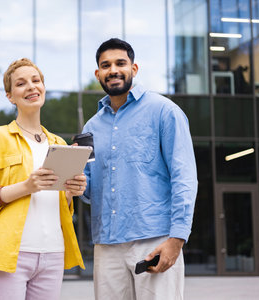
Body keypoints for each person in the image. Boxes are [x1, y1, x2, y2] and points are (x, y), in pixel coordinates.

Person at [81, 38, 198, 299]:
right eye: (105, 65)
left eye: (120, 63)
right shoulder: (90, 128)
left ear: (134, 69)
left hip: (154, 239)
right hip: (106, 244)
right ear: (98, 73)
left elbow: (185, 178)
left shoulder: (165, 111)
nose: (113, 70)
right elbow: (89, 189)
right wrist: (76, 185)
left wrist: (177, 238)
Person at [0, 58, 86, 300]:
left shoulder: (59, 144)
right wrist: (26, 186)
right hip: (8, 254)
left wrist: (71, 192)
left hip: (53, 254)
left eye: (36, 80)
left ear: (43, 87)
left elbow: (62, 207)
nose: (31, 87)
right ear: (10, 96)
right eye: (21, 83)